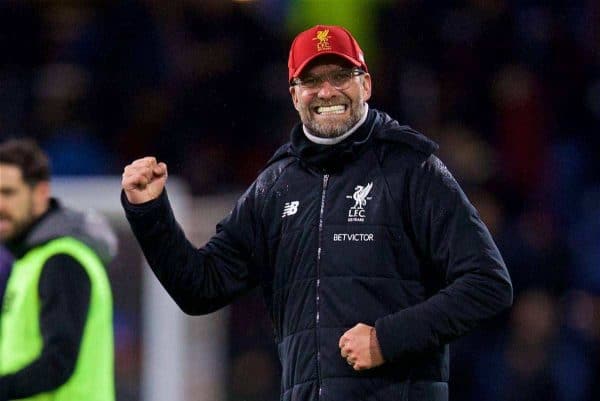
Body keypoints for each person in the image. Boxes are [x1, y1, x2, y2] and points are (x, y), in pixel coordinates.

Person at [121, 25, 513, 401]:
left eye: (341, 75)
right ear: (294, 95)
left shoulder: (412, 169)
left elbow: (488, 284)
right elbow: (200, 288)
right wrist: (150, 212)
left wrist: (386, 339)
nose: (327, 91)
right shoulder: (274, 187)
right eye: (311, 81)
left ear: (367, 85)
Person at [0, 138, 116, 401]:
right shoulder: (31, 261)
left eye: (8, 193)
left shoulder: (61, 260)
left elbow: (59, 361)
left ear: (40, 193)